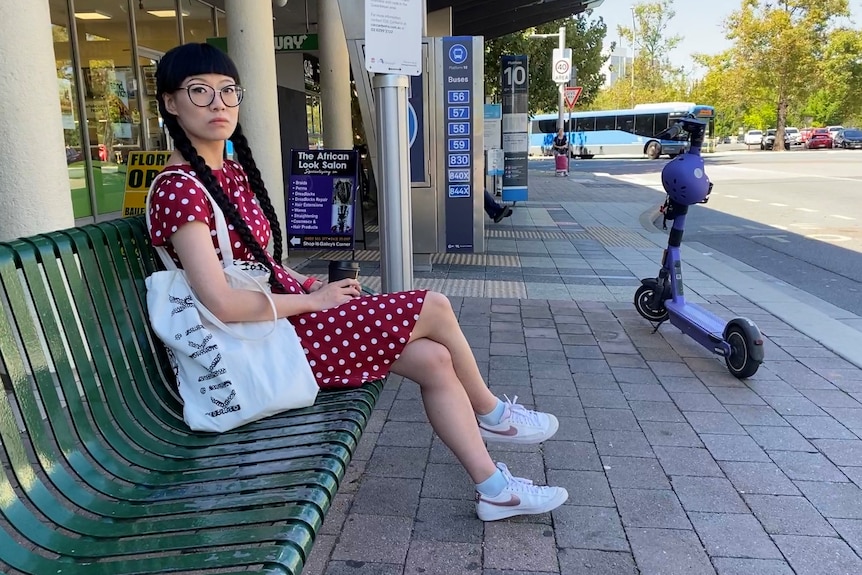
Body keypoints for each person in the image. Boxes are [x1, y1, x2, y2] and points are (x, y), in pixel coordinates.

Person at [147, 43, 568, 522]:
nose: (218, 104)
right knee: (433, 305)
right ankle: (493, 414)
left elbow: (248, 265)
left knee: (433, 358)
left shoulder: (229, 174)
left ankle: (495, 490)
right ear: (169, 102)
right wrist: (316, 302)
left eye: (228, 91)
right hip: (264, 342)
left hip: (280, 328)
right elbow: (222, 302)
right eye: (199, 92)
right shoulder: (180, 187)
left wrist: (302, 284)